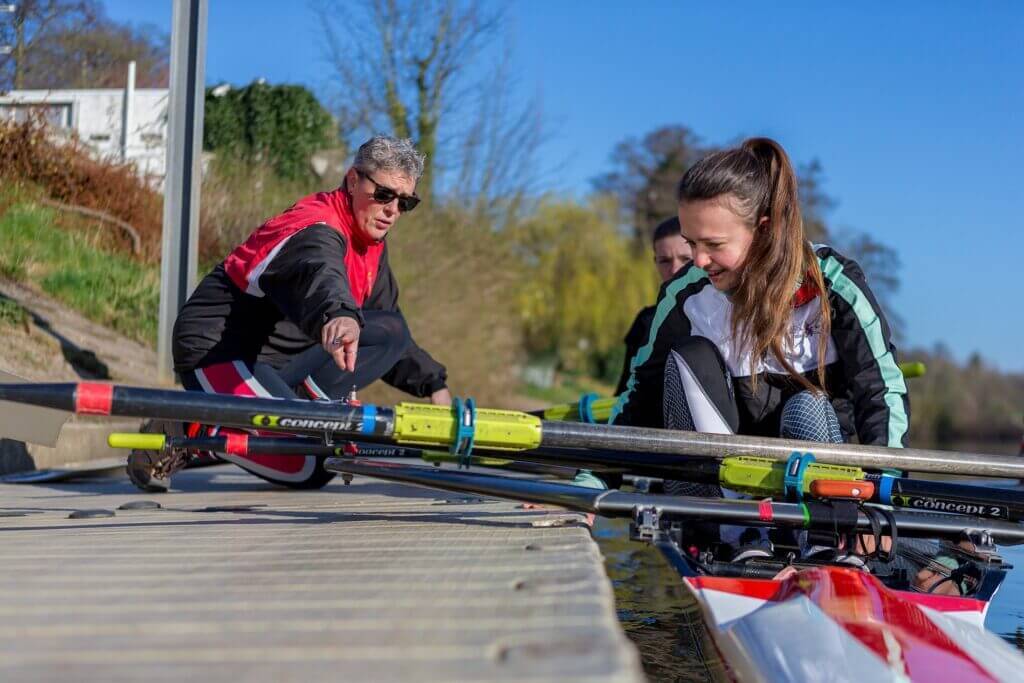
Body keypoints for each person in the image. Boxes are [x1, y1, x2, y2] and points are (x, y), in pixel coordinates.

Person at [128, 135, 451, 492]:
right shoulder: (316, 226)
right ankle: (191, 427)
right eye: (385, 194)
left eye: (406, 202)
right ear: (353, 180)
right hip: (219, 352)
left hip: (278, 359)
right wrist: (339, 314)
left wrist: (433, 384)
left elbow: (387, 324)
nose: (393, 210)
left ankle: (286, 417)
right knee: (311, 466)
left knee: (391, 329)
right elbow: (319, 272)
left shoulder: (372, 244)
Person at [611, 137, 909, 490]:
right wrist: (593, 481)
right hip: (722, 472)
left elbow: (880, 392)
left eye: (714, 245)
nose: (699, 261)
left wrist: (882, 491)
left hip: (815, 476)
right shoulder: (685, 293)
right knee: (688, 359)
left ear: (764, 230)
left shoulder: (834, 285)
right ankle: (711, 522)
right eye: (692, 243)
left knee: (806, 405)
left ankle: (818, 534)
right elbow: (639, 394)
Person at [614, 217, 693, 395]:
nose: (674, 270)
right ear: (655, 262)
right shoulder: (645, 322)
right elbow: (625, 392)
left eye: (686, 259)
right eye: (665, 261)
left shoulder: (722, 317)